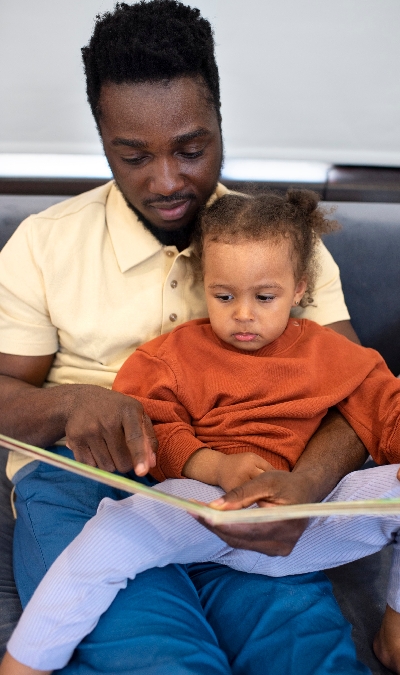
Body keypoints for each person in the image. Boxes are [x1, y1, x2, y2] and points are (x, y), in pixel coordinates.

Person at [0, 2, 375, 674]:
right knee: (162, 658)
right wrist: (68, 403)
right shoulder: (44, 244)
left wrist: (307, 483)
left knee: (308, 655)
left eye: (191, 149)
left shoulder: (284, 245)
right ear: (102, 136)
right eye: (134, 155)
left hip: (245, 484)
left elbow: (359, 392)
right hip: (86, 482)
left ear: (221, 123)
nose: (167, 180)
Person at [2, 189, 400, 675]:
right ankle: (26, 660)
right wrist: (215, 465)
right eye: (224, 295)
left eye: (264, 297)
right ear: (203, 283)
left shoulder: (328, 352)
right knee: (110, 530)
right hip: (203, 504)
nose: (243, 314)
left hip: (305, 518)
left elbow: (387, 397)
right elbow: (154, 423)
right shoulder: (170, 356)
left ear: (299, 289)